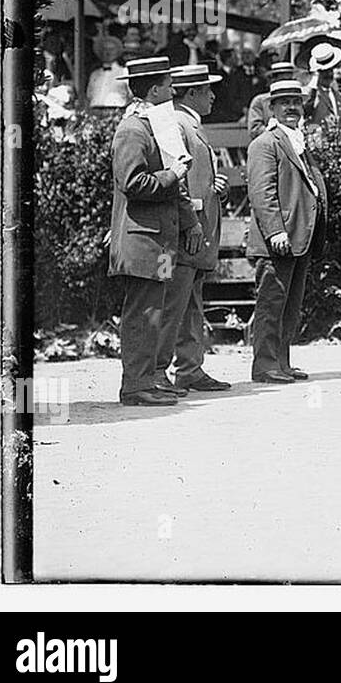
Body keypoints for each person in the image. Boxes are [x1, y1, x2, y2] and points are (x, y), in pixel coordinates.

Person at [107, 57, 202, 406]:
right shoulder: (132, 130)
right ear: (154, 89)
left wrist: (187, 217)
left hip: (160, 245)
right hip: (142, 242)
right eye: (168, 84)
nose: (173, 91)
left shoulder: (154, 126)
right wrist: (173, 174)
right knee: (142, 313)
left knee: (156, 310)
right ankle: (135, 386)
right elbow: (133, 183)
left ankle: (148, 379)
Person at [246, 79, 329, 383]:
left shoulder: (298, 141)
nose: (292, 107)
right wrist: (274, 231)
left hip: (299, 237)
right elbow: (261, 191)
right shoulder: (265, 143)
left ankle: (281, 361)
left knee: (289, 306)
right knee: (271, 304)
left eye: (296, 101)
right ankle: (265, 365)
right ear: (272, 108)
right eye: (284, 102)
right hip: (279, 239)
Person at [160, 63, 232, 392]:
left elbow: (195, 177)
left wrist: (215, 186)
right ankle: (162, 372)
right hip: (188, 228)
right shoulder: (178, 123)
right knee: (176, 301)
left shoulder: (191, 124)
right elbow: (177, 180)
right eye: (207, 90)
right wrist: (191, 222)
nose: (213, 96)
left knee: (190, 301)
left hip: (197, 226)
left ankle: (189, 367)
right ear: (192, 93)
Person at [246, 62, 299, 140]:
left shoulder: (298, 101)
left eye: (290, 79)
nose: (287, 84)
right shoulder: (260, 101)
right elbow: (255, 130)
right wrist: (281, 132)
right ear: (272, 80)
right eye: (282, 80)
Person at [86, 34, 131, 110]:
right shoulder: (94, 74)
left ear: (117, 52)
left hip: (116, 111)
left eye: (111, 49)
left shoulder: (124, 72)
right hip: (95, 112)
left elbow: (131, 96)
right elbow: (89, 96)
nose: (107, 52)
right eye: (105, 49)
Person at [305, 43, 341, 125]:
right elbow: (306, 110)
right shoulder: (314, 94)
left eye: (330, 70)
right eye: (324, 72)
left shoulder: (337, 94)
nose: (329, 74)